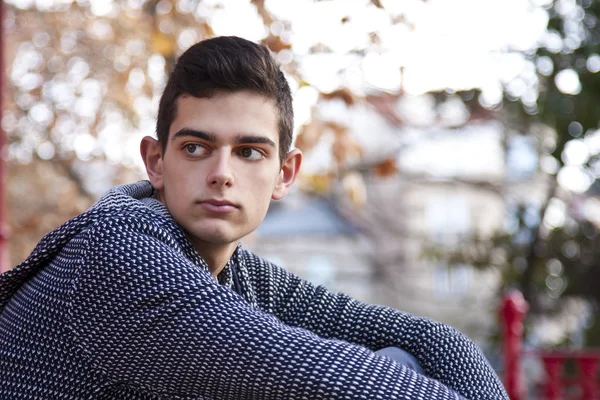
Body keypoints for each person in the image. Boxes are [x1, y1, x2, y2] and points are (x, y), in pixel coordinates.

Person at [0, 36, 508, 399]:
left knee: (402, 355)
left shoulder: (239, 273)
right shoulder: (121, 255)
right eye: (196, 147)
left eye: (249, 152)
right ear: (156, 162)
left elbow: (436, 341)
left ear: (285, 173)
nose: (222, 174)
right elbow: (341, 381)